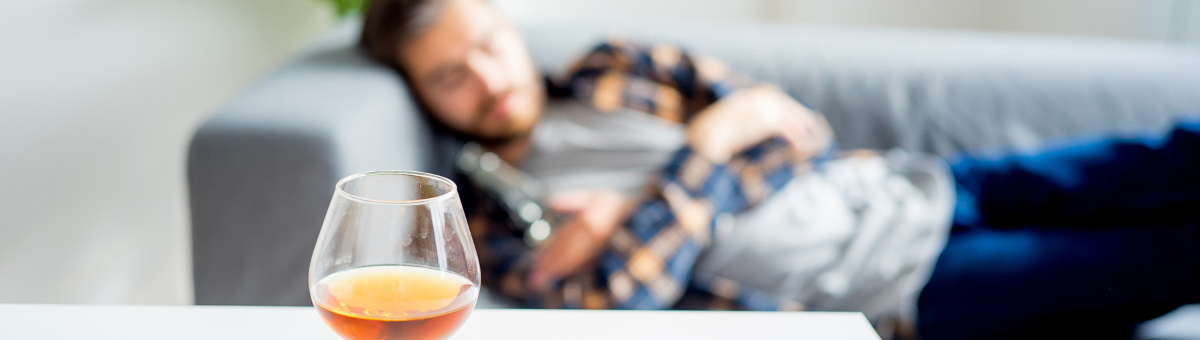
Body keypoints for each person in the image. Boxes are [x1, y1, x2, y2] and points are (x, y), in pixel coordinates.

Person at [358, 0, 1200, 339]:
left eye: (486, 47)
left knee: (1167, 160)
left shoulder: (620, 68)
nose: (490, 81)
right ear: (423, 98)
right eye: (448, 77)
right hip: (894, 284)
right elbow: (618, 303)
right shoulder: (491, 219)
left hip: (912, 183)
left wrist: (642, 216)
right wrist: (713, 145)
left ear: (507, 25)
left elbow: (794, 129)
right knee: (1163, 256)